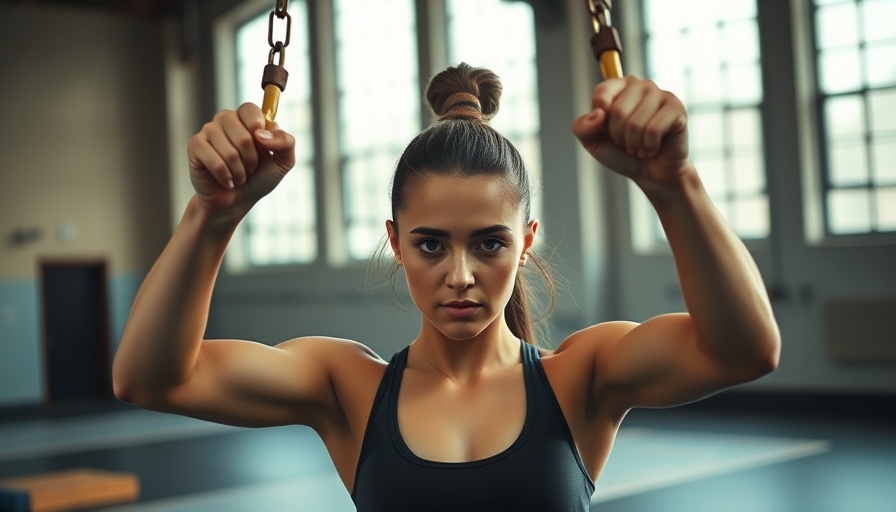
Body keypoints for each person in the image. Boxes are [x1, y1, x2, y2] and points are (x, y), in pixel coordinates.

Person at [113, 63, 780, 511]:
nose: (460, 276)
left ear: (525, 243)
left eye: (489, 242)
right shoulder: (346, 386)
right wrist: (212, 216)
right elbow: (151, 379)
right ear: (397, 242)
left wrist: (675, 186)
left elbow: (743, 351)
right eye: (431, 243)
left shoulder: (584, 377)